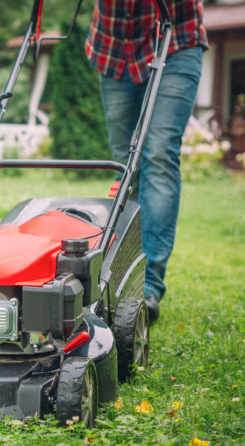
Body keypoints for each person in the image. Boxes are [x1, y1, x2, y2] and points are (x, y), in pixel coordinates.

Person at [85, 0, 207, 323]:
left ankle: (149, 284)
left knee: (159, 153)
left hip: (175, 38)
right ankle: (126, 276)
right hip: (114, 46)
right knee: (126, 167)